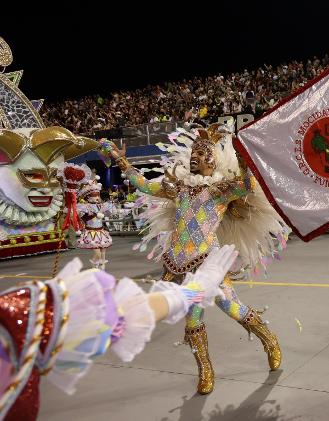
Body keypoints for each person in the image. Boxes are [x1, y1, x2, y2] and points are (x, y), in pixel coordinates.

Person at [99, 121, 287, 394]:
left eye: (201, 154)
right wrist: (120, 160)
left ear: (213, 159)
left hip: (207, 263)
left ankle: (269, 340)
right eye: (193, 154)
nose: (194, 158)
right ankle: (205, 370)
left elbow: (247, 186)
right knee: (193, 320)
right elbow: (143, 186)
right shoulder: (179, 189)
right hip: (177, 263)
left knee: (232, 308)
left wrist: (245, 162)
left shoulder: (221, 190)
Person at [0, 245, 238, 420]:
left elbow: (112, 318)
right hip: (183, 269)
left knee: (230, 310)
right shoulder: (11, 316)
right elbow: (117, 318)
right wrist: (198, 288)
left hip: (200, 257)